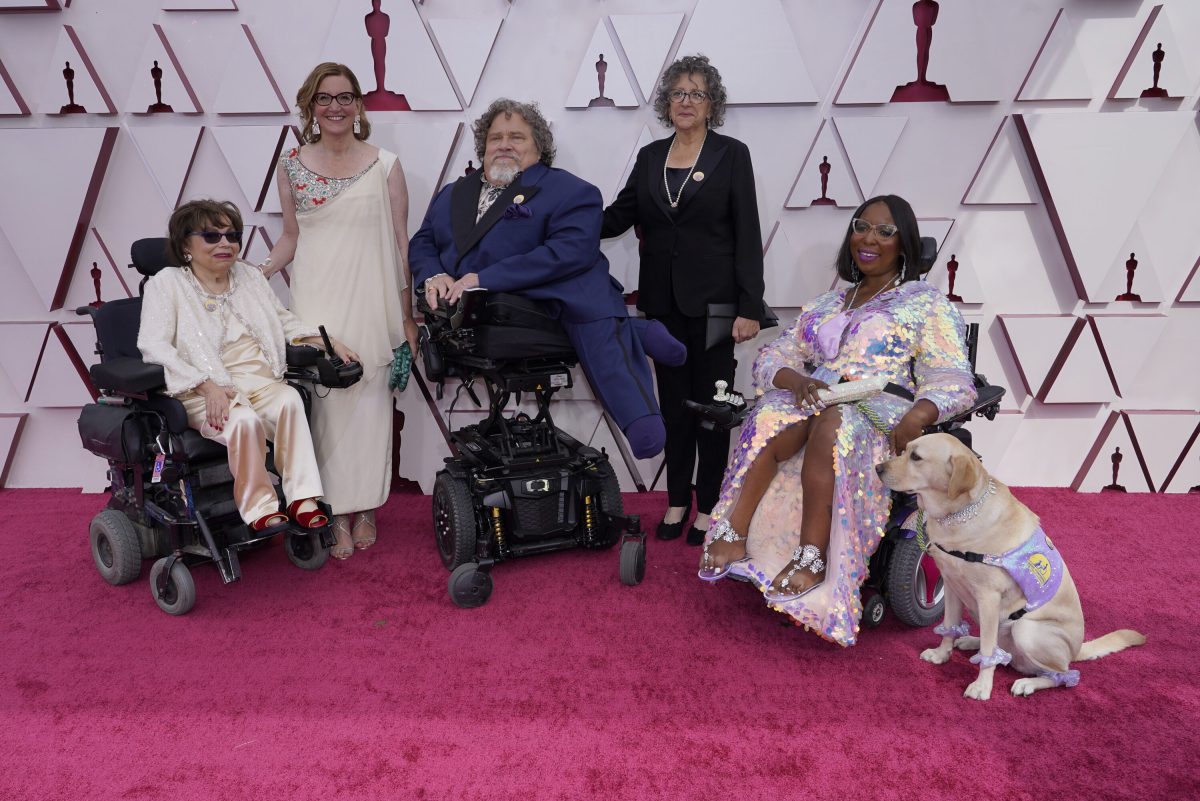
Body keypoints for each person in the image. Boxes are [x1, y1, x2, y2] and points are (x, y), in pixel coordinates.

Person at [698, 195, 977, 646]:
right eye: (861, 226)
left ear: (904, 244)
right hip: (819, 396)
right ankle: (736, 528)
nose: (869, 239)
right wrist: (793, 380)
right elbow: (776, 354)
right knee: (770, 414)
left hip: (881, 405)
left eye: (884, 232)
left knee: (833, 423)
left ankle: (814, 555)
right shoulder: (826, 302)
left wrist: (921, 413)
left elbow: (952, 376)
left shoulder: (922, 302)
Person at [410, 98, 685, 460]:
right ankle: (638, 333)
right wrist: (435, 273)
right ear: (483, 147)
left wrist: (485, 277)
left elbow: (570, 252)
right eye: (495, 138)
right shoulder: (453, 193)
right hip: (488, 310)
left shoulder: (572, 191)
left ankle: (640, 415)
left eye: (517, 137)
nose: (504, 144)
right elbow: (423, 240)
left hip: (561, 292)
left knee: (591, 323)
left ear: (539, 146)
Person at [602, 55, 765, 545]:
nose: (686, 101)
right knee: (674, 407)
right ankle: (676, 501)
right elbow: (619, 215)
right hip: (662, 304)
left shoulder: (731, 154)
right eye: (677, 93)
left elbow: (746, 232)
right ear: (666, 103)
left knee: (711, 409)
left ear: (711, 103)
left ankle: (709, 507)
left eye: (696, 93)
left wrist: (749, 305)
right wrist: (563, 220)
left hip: (718, 307)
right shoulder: (651, 158)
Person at [263, 62, 416, 560]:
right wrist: (252, 274)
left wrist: (407, 316)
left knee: (370, 405)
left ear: (358, 105)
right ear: (310, 106)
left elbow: (400, 245)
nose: (335, 106)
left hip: (373, 301)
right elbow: (290, 237)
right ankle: (332, 508)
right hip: (316, 302)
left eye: (345, 97)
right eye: (325, 98)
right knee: (323, 407)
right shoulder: (290, 165)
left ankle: (366, 507)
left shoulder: (386, 164)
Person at [138, 199, 358, 532]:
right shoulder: (167, 284)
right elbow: (152, 346)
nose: (225, 243)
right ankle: (260, 508)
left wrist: (324, 342)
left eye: (232, 235)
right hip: (207, 391)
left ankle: (301, 497)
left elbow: (281, 320)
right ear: (186, 244)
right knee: (243, 423)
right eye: (211, 236)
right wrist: (206, 385)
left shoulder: (249, 276)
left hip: (260, 381)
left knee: (289, 401)